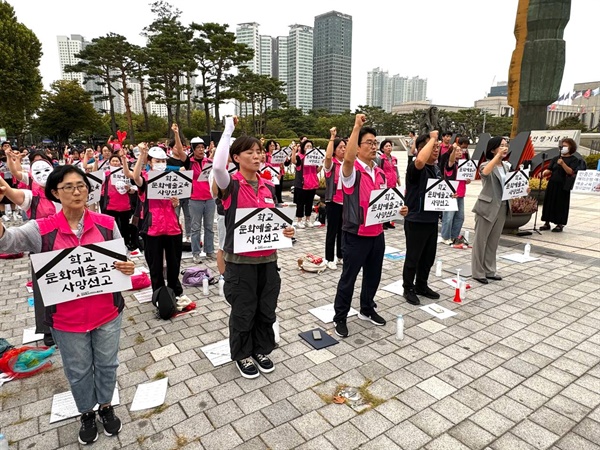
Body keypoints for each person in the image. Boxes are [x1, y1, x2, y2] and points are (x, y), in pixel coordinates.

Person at [0, 165, 135, 445]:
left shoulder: (107, 223)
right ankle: (86, 411)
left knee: (108, 364)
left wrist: (128, 266)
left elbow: (123, 260)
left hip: (108, 312)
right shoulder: (41, 229)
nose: (77, 192)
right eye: (68, 187)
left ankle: (106, 406)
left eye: (81, 186)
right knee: (78, 370)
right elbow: (8, 241)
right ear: (54, 193)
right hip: (66, 320)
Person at [213, 116, 295, 379]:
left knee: (266, 309)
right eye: (250, 152)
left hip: (268, 262)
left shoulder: (269, 186)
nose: (257, 155)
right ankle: (242, 354)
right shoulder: (230, 186)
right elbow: (217, 168)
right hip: (240, 264)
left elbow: (274, 221)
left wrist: (287, 231)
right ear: (236, 157)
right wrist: (228, 131)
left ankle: (261, 349)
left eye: (259, 151)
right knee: (243, 311)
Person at [333, 114, 408, 337]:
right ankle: (340, 317)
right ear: (357, 147)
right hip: (355, 233)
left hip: (377, 233)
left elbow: (386, 201)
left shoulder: (380, 171)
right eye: (370, 143)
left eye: (376, 143)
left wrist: (399, 209)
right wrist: (356, 127)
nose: (374, 146)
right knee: (349, 278)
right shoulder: (351, 171)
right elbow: (346, 161)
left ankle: (367, 308)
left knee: (373, 275)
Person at [129, 144, 184, 296]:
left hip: (172, 226)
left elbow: (176, 199)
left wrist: (175, 202)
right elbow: (135, 177)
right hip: (153, 227)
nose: (161, 163)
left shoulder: (171, 179)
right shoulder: (145, 179)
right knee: (155, 264)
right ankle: (158, 293)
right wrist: (141, 155)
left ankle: (174, 291)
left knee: (174, 263)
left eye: (163, 160)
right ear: (150, 161)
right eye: (157, 160)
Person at [402, 131, 442, 306]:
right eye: (432, 146)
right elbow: (419, 161)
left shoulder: (436, 168)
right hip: (416, 218)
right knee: (413, 257)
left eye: (437, 146)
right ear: (420, 149)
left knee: (428, 256)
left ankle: (421, 285)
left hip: (431, 220)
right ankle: (408, 287)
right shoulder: (415, 167)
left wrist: (449, 195)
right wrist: (432, 137)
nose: (436, 149)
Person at [471, 136, 512, 284]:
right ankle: (477, 272)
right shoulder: (486, 164)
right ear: (493, 149)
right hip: (487, 207)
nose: (505, 147)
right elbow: (485, 173)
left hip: (502, 206)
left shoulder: (507, 166)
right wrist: (497, 157)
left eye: (506, 145)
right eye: (501, 145)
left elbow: (510, 185)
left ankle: (490, 270)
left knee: (493, 241)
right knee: (480, 240)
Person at [540, 138, 581, 232]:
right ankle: (546, 222)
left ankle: (559, 223)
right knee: (549, 202)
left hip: (563, 185)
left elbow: (571, 172)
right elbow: (550, 169)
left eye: (565, 146)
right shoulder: (556, 158)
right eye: (562, 146)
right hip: (553, 183)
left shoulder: (574, 159)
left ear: (571, 147)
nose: (563, 148)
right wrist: (544, 173)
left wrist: (563, 164)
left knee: (560, 204)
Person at [438, 137, 471, 245]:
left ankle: (454, 236)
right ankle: (445, 236)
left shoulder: (463, 164)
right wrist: (453, 150)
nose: (459, 152)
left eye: (460, 151)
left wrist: (467, 180)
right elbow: (451, 160)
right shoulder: (450, 164)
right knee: (448, 216)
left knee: (460, 217)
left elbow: (465, 179)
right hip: (451, 193)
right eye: (457, 151)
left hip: (461, 193)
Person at [323, 127, 346, 269]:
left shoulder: (348, 164)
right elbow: (327, 157)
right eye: (341, 147)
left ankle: (340, 256)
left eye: (345, 147)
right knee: (332, 231)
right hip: (333, 201)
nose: (343, 149)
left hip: (346, 202)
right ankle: (329, 258)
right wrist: (332, 137)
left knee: (343, 231)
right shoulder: (331, 164)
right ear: (335, 150)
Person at [291, 140, 320, 228]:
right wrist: (293, 152)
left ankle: (308, 219)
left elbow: (317, 171)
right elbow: (294, 161)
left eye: (310, 146)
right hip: (301, 184)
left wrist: (321, 163)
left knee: (309, 202)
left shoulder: (314, 158)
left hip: (311, 184)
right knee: (300, 203)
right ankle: (299, 220)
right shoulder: (300, 157)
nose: (309, 148)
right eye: (307, 146)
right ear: (303, 147)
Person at [377, 139, 401, 229]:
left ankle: (388, 221)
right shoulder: (380, 159)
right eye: (386, 146)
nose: (389, 148)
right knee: (384, 203)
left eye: (390, 146)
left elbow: (396, 171)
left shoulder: (394, 159)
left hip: (393, 183)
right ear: (382, 149)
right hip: (384, 183)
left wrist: (399, 183)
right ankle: (382, 222)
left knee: (390, 203)